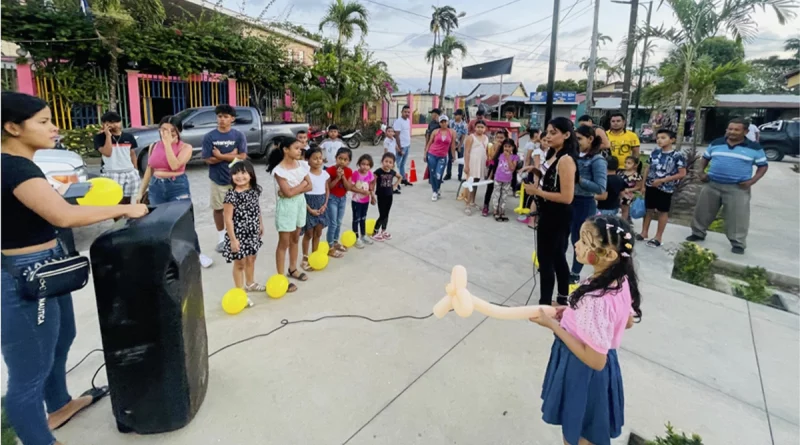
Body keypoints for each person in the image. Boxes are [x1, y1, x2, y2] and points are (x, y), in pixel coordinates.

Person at [1, 92, 149, 445]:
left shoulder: (24, 164)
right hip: (24, 274)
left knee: (62, 336)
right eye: (43, 122)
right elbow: (62, 216)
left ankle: (60, 405)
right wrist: (124, 208)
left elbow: (44, 207)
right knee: (28, 371)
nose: (54, 128)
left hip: (48, 264)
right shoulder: (13, 166)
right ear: (11, 127)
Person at [530, 215, 641, 445]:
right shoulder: (619, 280)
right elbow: (626, 321)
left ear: (609, 254)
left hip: (582, 371)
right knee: (587, 429)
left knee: (577, 431)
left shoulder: (596, 299)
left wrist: (553, 325)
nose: (576, 244)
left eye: (584, 241)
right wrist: (568, 311)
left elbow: (595, 360)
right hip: (602, 371)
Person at [138, 115, 213, 268]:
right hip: (156, 186)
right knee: (158, 222)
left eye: (173, 130)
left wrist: (167, 145)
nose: (168, 133)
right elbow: (149, 170)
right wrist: (141, 191)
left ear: (179, 132)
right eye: (164, 129)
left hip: (177, 186)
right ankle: (165, 255)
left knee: (184, 221)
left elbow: (174, 165)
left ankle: (196, 254)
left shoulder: (186, 148)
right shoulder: (153, 146)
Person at [687, 118, 769, 254]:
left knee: (737, 217)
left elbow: (763, 166)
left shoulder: (754, 148)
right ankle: (698, 233)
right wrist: (701, 172)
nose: (732, 132)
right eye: (730, 129)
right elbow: (705, 158)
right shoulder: (717, 143)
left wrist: (752, 181)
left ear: (746, 131)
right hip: (712, 184)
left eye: (736, 129)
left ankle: (738, 243)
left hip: (738, 188)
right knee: (703, 211)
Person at [523, 117, 578, 306]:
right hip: (548, 212)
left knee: (548, 260)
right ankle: (560, 297)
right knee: (555, 257)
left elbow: (566, 196)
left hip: (558, 215)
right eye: (548, 132)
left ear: (566, 135)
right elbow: (551, 180)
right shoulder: (553, 154)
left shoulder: (566, 160)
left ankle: (546, 302)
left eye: (554, 132)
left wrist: (536, 191)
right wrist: (536, 171)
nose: (549, 136)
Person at [266, 137, 312, 292]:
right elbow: (288, 193)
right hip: (287, 208)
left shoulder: (302, 165)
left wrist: (295, 190)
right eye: (297, 148)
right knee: (283, 242)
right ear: (286, 150)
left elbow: (309, 186)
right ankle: (281, 277)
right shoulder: (279, 170)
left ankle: (292, 268)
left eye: (300, 148)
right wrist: (300, 186)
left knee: (295, 238)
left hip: (300, 204)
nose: (300, 151)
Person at [202, 104, 248, 254]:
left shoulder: (238, 136)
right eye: (220, 116)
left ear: (232, 119)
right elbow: (208, 159)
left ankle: (238, 236)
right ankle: (222, 238)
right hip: (217, 179)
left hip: (237, 180)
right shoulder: (210, 136)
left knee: (238, 209)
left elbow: (242, 156)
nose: (222, 119)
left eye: (226, 117)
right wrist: (231, 155)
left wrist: (220, 156)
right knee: (218, 209)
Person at [222, 160, 263, 304]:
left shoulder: (253, 191)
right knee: (240, 264)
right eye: (236, 173)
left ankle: (250, 283)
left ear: (251, 175)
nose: (240, 176)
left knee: (252, 258)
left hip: (252, 231)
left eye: (243, 172)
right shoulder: (231, 195)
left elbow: (256, 209)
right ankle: (240, 294)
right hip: (238, 234)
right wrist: (233, 240)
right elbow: (228, 220)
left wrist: (260, 224)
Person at [570, 125, 608, 283]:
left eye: (579, 139)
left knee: (579, 241)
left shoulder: (597, 160)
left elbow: (600, 188)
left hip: (584, 202)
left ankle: (574, 272)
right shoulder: (572, 155)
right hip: (568, 200)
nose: (576, 142)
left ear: (590, 139)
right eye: (575, 139)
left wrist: (579, 180)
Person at [639, 129, 686, 248]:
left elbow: (681, 173)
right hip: (651, 185)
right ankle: (644, 232)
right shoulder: (655, 152)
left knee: (662, 211)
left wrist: (662, 180)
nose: (659, 140)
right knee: (648, 209)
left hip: (666, 188)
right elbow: (647, 168)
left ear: (672, 140)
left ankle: (658, 237)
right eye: (658, 137)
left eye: (663, 137)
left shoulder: (677, 155)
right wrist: (643, 184)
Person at [93, 111, 139, 205]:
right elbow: (107, 153)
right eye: (110, 122)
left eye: (116, 122)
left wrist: (135, 169)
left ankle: (126, 218)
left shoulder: (129, 137)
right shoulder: (100, 138)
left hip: (129, 172)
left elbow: (132, 153)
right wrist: (108, 136)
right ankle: (117, 219)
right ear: (104, 124)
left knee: (127, 200)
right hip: (111, 173)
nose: (114, 125)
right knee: (115, 201)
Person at [300, 147, 330, 271]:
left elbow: (327, 189)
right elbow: (301, 194)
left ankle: (315, 255)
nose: (318, 161)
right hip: (309, 205)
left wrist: (325, 204)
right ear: (308, 160)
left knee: (318, 232)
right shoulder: (305, 175)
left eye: (320, 158)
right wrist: (309, 209)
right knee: (309, 233)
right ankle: (305, 257)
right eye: (315, 158)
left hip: (321, 204)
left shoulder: (325, 174)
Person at [325, 147, 355, 257]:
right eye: (340, 158)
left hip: (343, 198)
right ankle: (330, 246)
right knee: (332, 223)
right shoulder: (330, 170)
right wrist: (337, 178)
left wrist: (343, 177)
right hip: (332, 198)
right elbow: (328, 187)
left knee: (339, 221)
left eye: (345, 159)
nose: (342, 161)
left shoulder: (349, 171)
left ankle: (335, 241)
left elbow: (348, 187)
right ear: (336, 158)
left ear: (349, 161)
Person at [424, 114, 456, 202]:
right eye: (441, 122)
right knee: (433, 173)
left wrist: (453, 156)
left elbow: (452, 145)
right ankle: (434, 191)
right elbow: (429, 143)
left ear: (447, 122)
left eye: (445, 121)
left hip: (443, 156)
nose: (443, 123)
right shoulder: (435, 131)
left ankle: (437, 188)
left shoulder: (452, 132)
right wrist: (425, 153)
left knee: (439, 174)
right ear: (439, 123)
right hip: (432, 154)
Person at [373, 152, 402, 241]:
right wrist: (371, 193)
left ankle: (383, 231)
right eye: (386, 161)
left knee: (387, 214)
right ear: (382, 161)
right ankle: (375, 231)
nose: (388, 164)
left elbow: (400, 177)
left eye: (390, 162)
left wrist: (395, 185)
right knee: (382, 214)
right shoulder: (378, 172)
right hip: (381, 196)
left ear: (393, 165)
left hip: (389, 195)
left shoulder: (393, 172)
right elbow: (372, 182)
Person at [462, 120, 489, 215]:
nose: (480, 129)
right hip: (472, 163)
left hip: (481, 163)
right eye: (478, 127)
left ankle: (473, 201)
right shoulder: (471, 137)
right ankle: (467, 205)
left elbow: (486, 151)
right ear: (475, 127)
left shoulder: (486, 138)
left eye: (482, 127)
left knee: (476, 183)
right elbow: (467, 152)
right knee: (470, 184)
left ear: (485, 129)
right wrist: (467, 165)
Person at [489, 139, 519, 222]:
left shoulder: (515, 157)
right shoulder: (500, 155)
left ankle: (502, 211)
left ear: (513, 147)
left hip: (507, 180)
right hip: (498, 178)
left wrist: (509, 157)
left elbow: (512, 168)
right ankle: (495, 210)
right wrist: (490, 175)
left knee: (504, 196)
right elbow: (493, 165)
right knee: (496, 194)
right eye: (505, 146)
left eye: (509, 146)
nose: (507, 148)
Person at [350, 153, 375, 249]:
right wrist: (362, 191)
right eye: (363, 164)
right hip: (356, 201)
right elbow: (351, 187)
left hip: (365, 201)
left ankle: (363, 235)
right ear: (359, 164)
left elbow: (371, 184)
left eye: (368, 165)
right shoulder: (355, 174)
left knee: (363, 218)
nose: (365, 166)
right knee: (356, 219)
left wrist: (372, 196)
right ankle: (355, 237)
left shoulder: (370, 174)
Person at [482, 129, 508, 216]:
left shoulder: (508, 148)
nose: (500, 140)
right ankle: (485, 206)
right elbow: (492, 161)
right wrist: (490, 174)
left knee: (500, 191)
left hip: (503, 174)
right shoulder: (492, 146)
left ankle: (498, 208)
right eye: (498, 138)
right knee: (490, 189)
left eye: (502, 138)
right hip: (493, 171)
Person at [392, 105, 414, 188]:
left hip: (407, 145)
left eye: (408, 112)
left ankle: (403, 179)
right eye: (405, 112)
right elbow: (396, 135)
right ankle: (395, 182)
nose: (407, 113)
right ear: (401, 112)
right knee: (397, 164)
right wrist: (399, 148)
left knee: (403, 164)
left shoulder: (408, 120)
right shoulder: (398, 121)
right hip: (402, 147)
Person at [618, 156, 643, 221]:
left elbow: (638, 187)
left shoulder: (636, 176)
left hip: (627, 195)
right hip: (618, 193)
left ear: (635, 165)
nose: (626, 164)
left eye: (629, 163)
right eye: (625, 163)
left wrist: (629, 189)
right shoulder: (620, 172)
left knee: (625, 209)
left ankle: (623, 222)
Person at [448, 109, 468, 181]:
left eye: (456, 115)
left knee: (461, 160)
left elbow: (463, 135)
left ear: (461, 116)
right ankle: (448, 174)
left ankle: (460, 175)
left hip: (460, 144)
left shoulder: (464, 125)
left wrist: (459, 145)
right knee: (450, 159)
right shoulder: (451, 122)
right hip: (451, 143)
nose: (455, 116)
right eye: (455, 115)